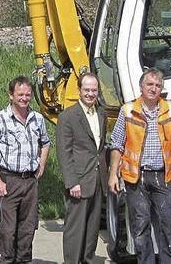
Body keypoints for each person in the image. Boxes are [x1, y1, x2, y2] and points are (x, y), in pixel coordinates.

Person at [108, 67, 171, 264]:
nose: (153, 88)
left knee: (168, 225)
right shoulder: (127, 110)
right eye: (149, 84)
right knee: (140, 226)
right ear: (141, 87)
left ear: (162, 88)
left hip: (164, 176)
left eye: (158, 85)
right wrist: (112, 174)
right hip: (137, 177)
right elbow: (117, 144)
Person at [0, 76, 50, 264]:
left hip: (30, 181)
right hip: (8, 181)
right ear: (11, 95)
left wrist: (41, 164)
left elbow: (46, 143)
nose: (24, 98)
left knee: (27, 229)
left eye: (27, 94)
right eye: (20, 94)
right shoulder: (0, 119)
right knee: (7, 232)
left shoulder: (37, 119)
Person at [56, 73, 108, 264]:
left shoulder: (101, 114)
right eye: (86, 90)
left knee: (92, 228)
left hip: (97, 180)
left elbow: (99, 149)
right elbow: (64, 152)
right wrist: (72, 182)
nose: (90, 94)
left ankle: (87, 259)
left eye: (94, 90)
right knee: (75, 229)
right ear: (79, 91)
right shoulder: (68, 116)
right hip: (78, 182)